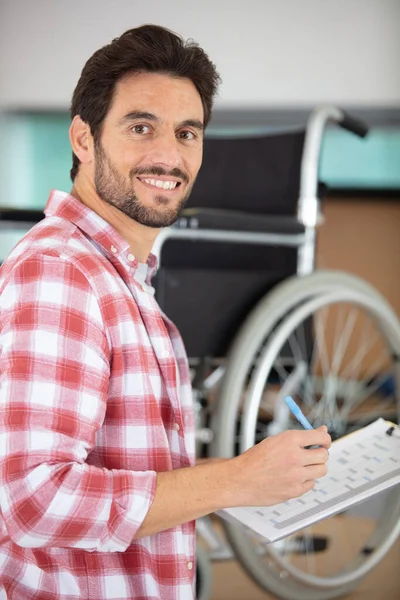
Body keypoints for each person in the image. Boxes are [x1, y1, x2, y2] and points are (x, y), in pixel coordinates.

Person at [0, 24, 331, 600]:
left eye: (187, 133)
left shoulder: (127, 280)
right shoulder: (62, 272)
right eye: (140, 126)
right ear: (83, 138)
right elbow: (36, 503)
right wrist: (235, 480)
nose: (168, 156)